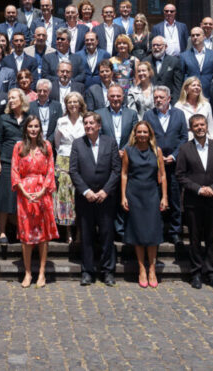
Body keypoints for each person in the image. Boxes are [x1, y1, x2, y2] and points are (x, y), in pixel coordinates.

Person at [176, 114, 213, 289]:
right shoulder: (184, 149)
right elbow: (180, 176)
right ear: (191, 129)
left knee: (212, 238)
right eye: (196, 125)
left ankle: (211, 272)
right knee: (194, 238)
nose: (200, 128)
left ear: (207, 126)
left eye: (202, 124)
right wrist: (199, 189)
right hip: (194, 200)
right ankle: (196, 273)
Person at [67, 112, 120, 286]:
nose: (88, 125)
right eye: (86, 123)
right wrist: (86, 191)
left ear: (99, 125)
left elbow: (116, 170)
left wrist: (105, 191)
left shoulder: (110, 142)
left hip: (106, 198)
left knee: (107, 235)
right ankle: (87, 272)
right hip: (85, 199)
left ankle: (108, 272)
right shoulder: (77, 144)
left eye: (91, 123)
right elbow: (73, 170)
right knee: (87, 237)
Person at [12, 116, 58, 288]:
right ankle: (28, 272)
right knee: (26, 236)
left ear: (40, 128)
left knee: (43, 235)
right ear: (26, 128)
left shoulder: (46, 146)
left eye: (36, 126)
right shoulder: (19, 147)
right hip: (24, 195)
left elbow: (50, 171)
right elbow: (15, 171)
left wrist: (42, 191)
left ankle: (42, 273)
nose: (33, 129)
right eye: (30, 126)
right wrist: (23, 191)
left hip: (42, 194)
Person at [121, 121, 168, 288]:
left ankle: (152, 269)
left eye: (145, 132)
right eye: (139, 132)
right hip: (134, 194)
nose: (142, 135)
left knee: (153, 232)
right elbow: (124, 174)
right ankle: (141, 268)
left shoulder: (157, 151)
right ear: (135, 134)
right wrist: (123, 196)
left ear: (150, 134)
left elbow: (162, 175)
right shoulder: (128, 151)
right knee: (138, 232)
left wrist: (164, 197)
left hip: (152, 194)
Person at [143, 85, 188, 244]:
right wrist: (158, 156)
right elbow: (145, 138)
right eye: (155, 97)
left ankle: (175, 231)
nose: (158, 100)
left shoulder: (179, 114)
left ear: (169, 99)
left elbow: (184, 138)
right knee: (155, 199)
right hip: (155, 165)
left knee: (175, 199)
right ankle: (158, 231)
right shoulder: (148, 115)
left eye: (161, 97)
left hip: (174, 165)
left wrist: (174, 156)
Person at [0, 87, 29, 243]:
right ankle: (2, 232)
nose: (11, 100)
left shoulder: (30, 119)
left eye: (14, 97)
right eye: (9, 98)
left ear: (21, 99)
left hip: (25, 163)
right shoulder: (3, 118)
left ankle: (21, 230)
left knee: (22, 198)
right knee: (5, 197)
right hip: (8, 161)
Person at [53, 91, 86, 244]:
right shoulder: (61, 121)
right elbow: (57, 142)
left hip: (81, 159)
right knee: (65, 196)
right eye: (70, 102)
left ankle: (79, 231)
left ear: (80, 104)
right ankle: (68, 232)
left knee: (78, 195)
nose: (73, 104)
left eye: (75, 102)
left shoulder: (85, 120)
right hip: (64, 158)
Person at [179, 26, 213, 98]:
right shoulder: (184, 56)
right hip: (191, 95)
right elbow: (181, 77)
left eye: (198, 35)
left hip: (209, 94)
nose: (195, 37)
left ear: (204, 36)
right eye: (193, 35)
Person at [175, 76, 213, 140]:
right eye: (193, 85)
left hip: (204, 139)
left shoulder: (206, 104)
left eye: (198, 85)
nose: (197, 87)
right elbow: (177, 127)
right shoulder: (179, 106)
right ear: (186, 88)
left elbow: (210, 125)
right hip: (187, 139)